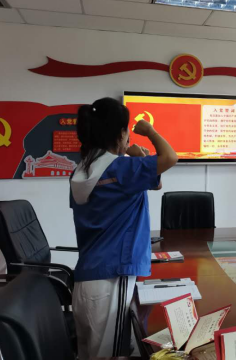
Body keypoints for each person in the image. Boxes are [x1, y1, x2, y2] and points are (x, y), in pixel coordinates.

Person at [69, 98, 178, 359]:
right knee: (114, 355)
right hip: (111, 281)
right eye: (127, 129)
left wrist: (135, 155)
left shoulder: (83, 169)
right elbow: (170, 157)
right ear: (120, 134)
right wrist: (150, 131)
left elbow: (155, 184)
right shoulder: (121, 170)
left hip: (86, 281)